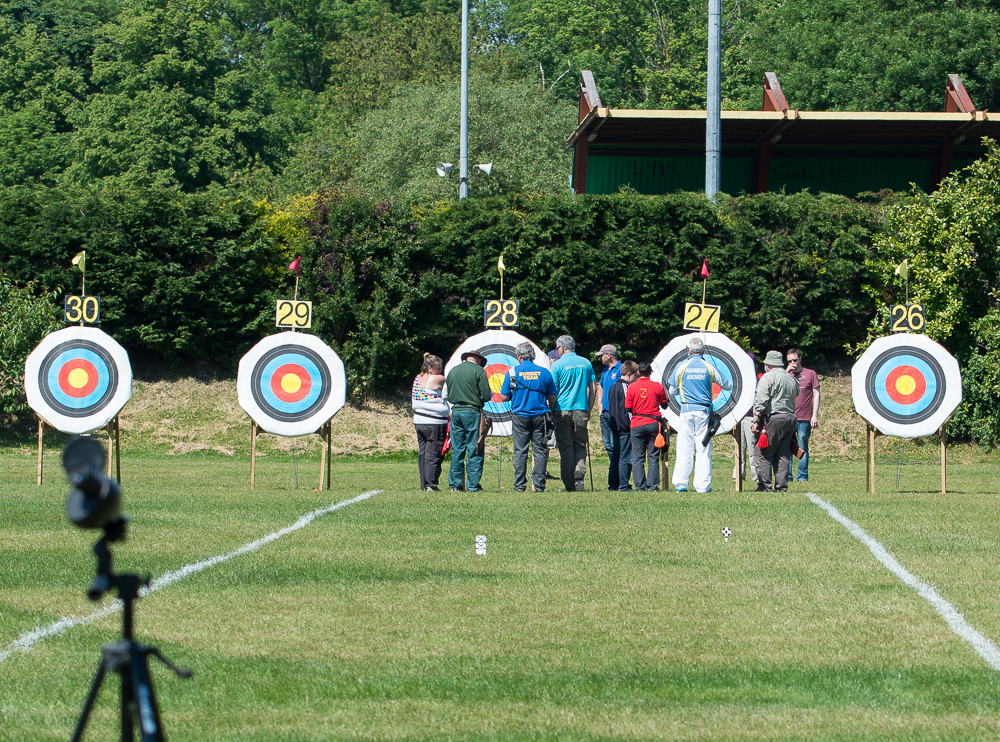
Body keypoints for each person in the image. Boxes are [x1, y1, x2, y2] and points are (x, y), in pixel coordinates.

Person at [667, 337, 732, 493]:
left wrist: (681, 388)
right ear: (703, 350)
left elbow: (671, 391)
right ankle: (702, 486)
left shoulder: (681, 366)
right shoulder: (709, 366)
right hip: (703, 411)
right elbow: (728, 386)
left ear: (688, 350)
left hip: (686, 411)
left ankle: (681, 484)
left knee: (684, 447)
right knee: (703, 447)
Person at [499, 342, 557, 492]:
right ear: (533, 356)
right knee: (540, 450)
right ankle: (539, 486)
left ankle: (519, 486)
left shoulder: (512, 372)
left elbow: (504, 397)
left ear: (519, 356)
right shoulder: (544, 372)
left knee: (520, 451)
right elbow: (552, 396)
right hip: (540, 416)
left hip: (520, 416)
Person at [550, 335, 597, 491]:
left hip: (561, 410)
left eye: (557, 348)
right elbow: (593, 389)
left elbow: (552, 392)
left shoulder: (557, 365)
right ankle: (579, 472)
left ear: (562, 348)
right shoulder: (586, 363)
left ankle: (569, 484)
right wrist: (589, 409)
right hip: (581, 409)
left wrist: (551, 409)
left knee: (566, 447)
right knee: (580, 444)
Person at [751, 350, 799, 492]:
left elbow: (761, 401)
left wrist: (756, 420)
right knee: (783, 454)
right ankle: (781, 486)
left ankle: (765, 486)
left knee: (763, 453)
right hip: (790, 418)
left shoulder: (767, 377)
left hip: (774, 418)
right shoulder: (791, 378)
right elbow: (796, 393)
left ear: (768, 365)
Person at [444, 349, 491, 492]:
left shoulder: (453, 371)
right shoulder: (479, 371)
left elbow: (447, 395)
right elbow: (486, 396)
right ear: (478, 360)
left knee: (457, 449)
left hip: (456, 412)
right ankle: (472, 485)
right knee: (475, 448)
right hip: (472, 412)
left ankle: (455, 485)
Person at [624, 362, 669, 491]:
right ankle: (653, 486)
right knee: (653, 456)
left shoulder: (632, 387)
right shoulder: (657, 386)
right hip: (654, 424)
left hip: (637, 423)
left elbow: (627, 407)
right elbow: (664, 404)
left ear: (638, 372)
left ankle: (640, 486)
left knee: (638, 458)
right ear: (650, 372)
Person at [412, 353, 449, 491]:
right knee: (433, 452)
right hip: (434, 422)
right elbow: (447, 386)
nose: (440, 371)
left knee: (423, 452)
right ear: (429, 368)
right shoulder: (438, 378)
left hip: (419, 420)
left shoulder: (417, 378)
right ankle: (431, 485)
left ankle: (424, 484)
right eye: (438, 368)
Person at [786, 348, 821, 482]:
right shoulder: (786, 374)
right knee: (786, 448)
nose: (793, 363)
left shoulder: (810, 373)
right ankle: (787, 476)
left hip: (804, 418)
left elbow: (816, 394)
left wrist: (815, 415)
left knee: (802, 447)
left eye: (795, 360)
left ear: (800, 359)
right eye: (790, 361)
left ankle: (802, 476)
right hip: (788, 417)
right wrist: (787, 371)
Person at [607, 360, 638, 491]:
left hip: (615, 426)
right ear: (629, 374)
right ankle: (624, 485)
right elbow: (628, 408)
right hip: (624, 427)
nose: (636, 380)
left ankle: (613, 484)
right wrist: (632, 424)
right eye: (635, 377)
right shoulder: (625, 387)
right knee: (625, 457)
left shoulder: (612, 387)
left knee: (615, 456)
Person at [733, 352, 761, 485]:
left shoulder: (757, 379)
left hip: (751, 417)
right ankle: (738, 474)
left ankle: (756, 476)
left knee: (752, 450)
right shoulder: (740, 378)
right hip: (740, 417)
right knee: (739, 448)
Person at [595, 344, 622, 457]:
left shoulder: (621, 369)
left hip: (615, 412)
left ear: (609, 355)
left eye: (602, 355)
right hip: (605, 411)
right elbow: (600, 386)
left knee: (615, 443)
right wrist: (599, 402)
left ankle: (619, 471)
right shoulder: (605, 370)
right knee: (607, 444)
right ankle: (613, 469)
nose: (601, 358)